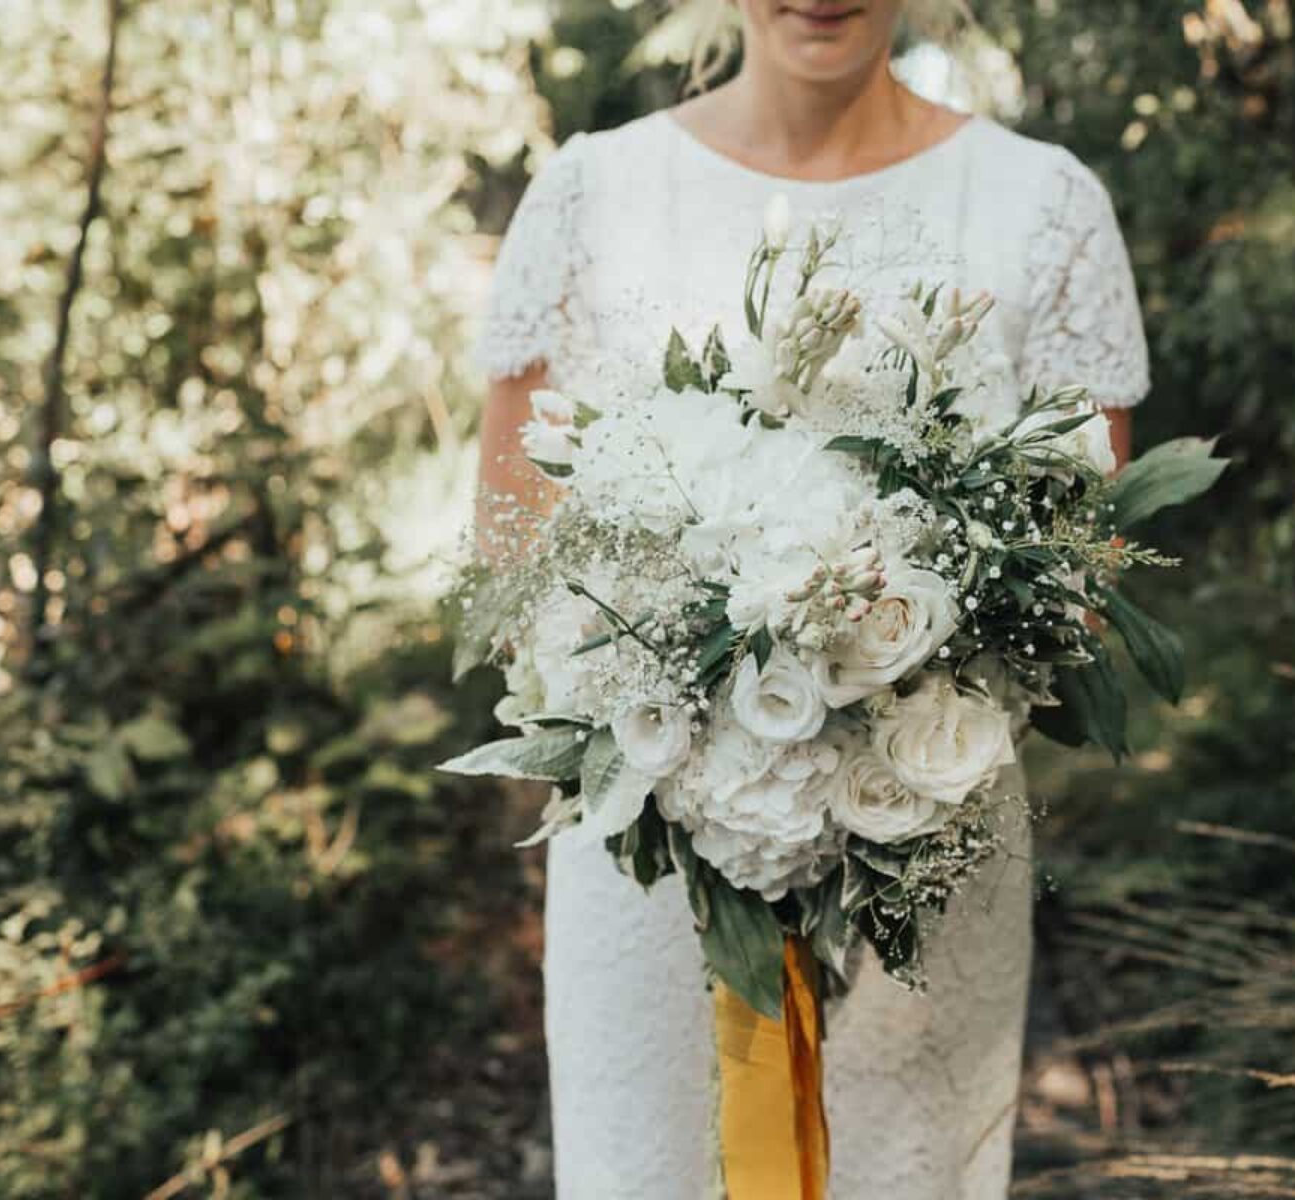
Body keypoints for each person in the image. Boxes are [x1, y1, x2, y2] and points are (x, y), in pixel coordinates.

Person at [472, 1, 1151, 1195]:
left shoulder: (1041, 204)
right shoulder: (593, 193)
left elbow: (1079, 593)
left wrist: (883, 693)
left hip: (923, 838)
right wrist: (702, 712)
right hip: (650, 854)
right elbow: (511, 557)